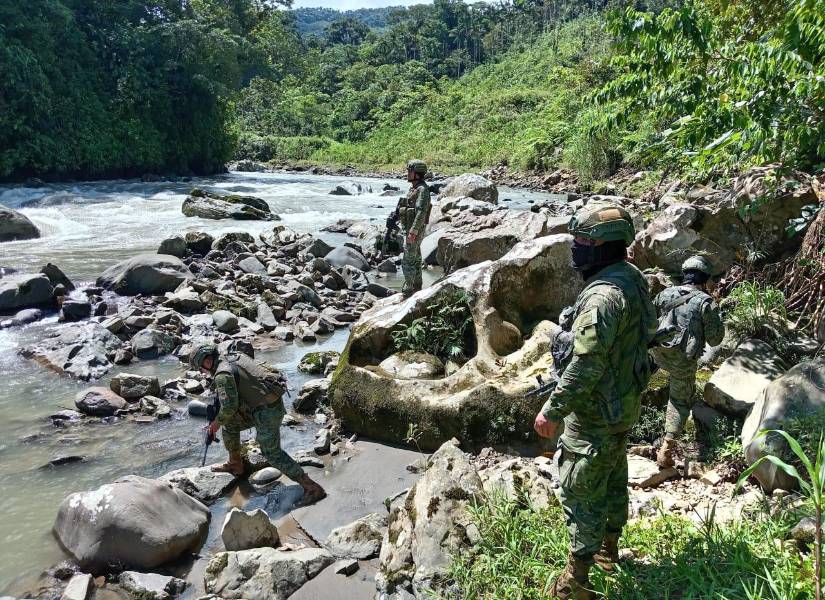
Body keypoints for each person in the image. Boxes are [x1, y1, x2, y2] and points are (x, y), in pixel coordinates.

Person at [533, 203, 657, 599]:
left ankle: (576, 581)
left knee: (580, 486)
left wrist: (552, 410)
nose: (576, 247)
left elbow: (586, 366)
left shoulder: (602, 298)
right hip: (624, 404)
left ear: (605, 247)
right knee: (613, 472)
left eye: (584, 240)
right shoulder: (633, 279)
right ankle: (609, 550)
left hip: (595, 410)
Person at [189, 344, 326, 506]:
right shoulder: (233, 357)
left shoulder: (222, 375)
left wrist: (215, 424)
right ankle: (236, 464)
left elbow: (229, 407)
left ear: (207, 361)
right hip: (265, 405)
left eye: (201, 367)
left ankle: (312, 488)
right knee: (230, 424)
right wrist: (221, 421)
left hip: (267, 411)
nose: (202, 371)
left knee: (270, 452)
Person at [651, 255, 725, 468]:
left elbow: (650, 319)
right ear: (705, 279)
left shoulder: (665, 294)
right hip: (682, 358)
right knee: (679, 399)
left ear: (685, 275)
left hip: (657, 351)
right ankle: (666, 449)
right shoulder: (705, 302)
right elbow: (715, 339)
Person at [398, 159, 431, 297]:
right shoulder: (414, 188)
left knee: (408, 259)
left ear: (417, 173)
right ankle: (417, 286)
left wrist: (413, 231)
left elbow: (421, 211)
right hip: (411, 228)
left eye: (410, 171)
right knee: (416, 257)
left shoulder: (422, 189)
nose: (407, 173)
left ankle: (408, 289)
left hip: (414, 229)